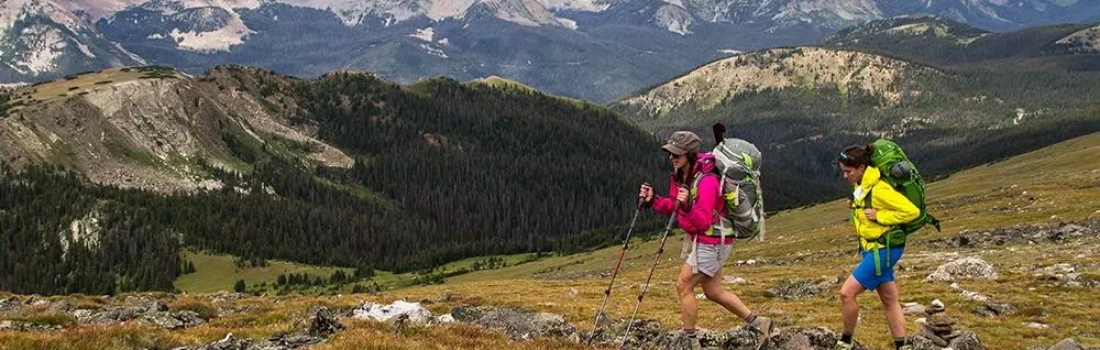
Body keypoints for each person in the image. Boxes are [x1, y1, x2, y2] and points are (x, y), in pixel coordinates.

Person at [638, 131, 772, 349]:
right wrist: (654, 201)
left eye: (676, 154)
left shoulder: (708, 181)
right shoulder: (681, 175)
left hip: (712, 242)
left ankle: (689, 339)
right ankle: (759, 323)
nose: (671, 157)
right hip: (707, 241)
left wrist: (689, 205)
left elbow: (703, 221)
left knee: (683, 285)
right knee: (713, 291)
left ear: (690, 155)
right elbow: (676, 206)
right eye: (670, 153)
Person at [835, 144, 920, 350]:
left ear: (862, 167)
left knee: (847, 293)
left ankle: (846, 341)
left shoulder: (880, 188)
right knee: (890, 300)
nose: (845, 176)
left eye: (848, 171)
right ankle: (902, 345)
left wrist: (880, 216)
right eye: (843, 171)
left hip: (884, 248)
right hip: (873, 247)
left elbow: (912, 211)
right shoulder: (862, 185)